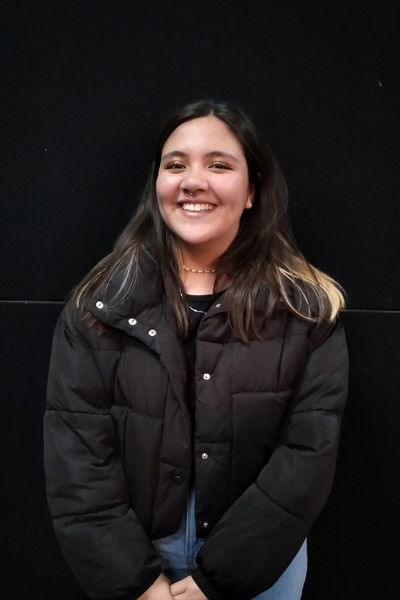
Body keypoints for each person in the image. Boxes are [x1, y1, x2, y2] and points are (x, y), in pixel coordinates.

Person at [43, 99, 348, 600]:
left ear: (252, 190)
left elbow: (306, 456)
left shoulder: (306, 309)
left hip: (260, 565)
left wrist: (218, 580)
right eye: (176, 165)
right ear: (157, 184)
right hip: (138, 563)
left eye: (219, 165)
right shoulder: (99, 305)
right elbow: (78, 458)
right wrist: (137, 582)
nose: (192, 181)